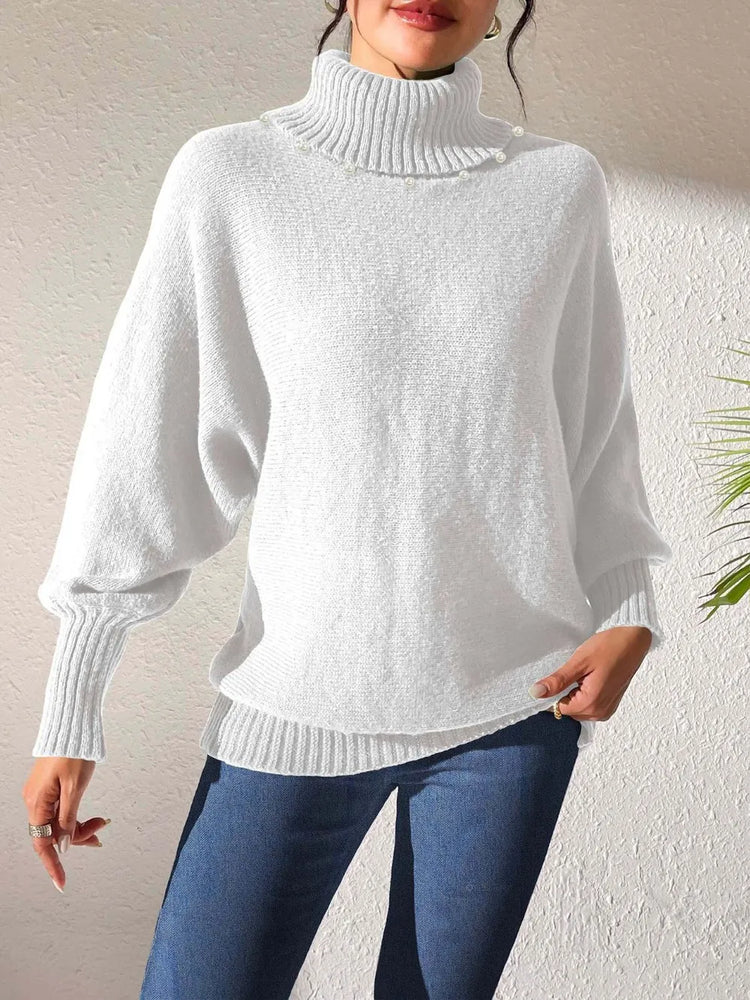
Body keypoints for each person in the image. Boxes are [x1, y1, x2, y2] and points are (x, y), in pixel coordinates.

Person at [22, 2, 673, 997]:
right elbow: (147, 446)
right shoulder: (234, 174)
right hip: (296, 699)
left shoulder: (558, 187)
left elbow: (591, 430)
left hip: (515, 712)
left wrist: (630, 607)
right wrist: (73, 706)